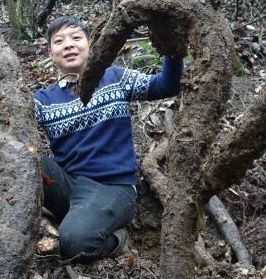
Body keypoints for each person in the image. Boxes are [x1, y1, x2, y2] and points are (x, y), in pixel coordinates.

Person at [32, 16, 183, 263]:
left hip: (112, 189)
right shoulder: (42, 100)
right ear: (51, 52)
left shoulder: (114, 78)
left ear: (91, 45)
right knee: (10, 151)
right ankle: (76, 219)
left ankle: (118, 239)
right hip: (67, 185)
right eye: (59, 41)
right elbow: (7, 118)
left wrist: (173, 51)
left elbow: (166, 85)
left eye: (76, 38)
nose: (68, 45)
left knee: (75, 243)